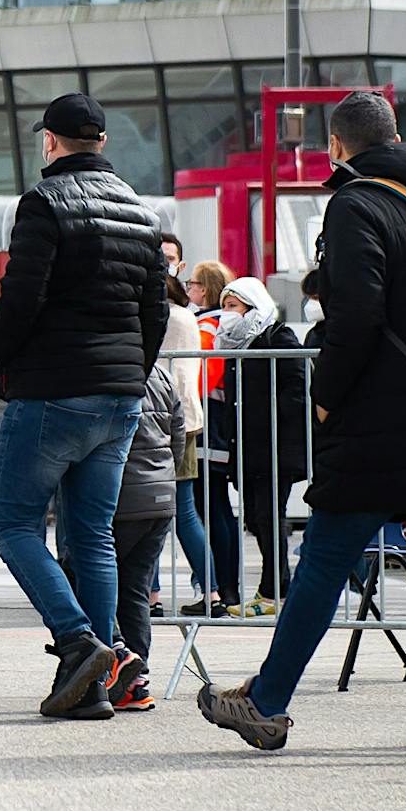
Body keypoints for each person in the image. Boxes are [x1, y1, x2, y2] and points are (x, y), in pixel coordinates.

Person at [199, 90, 406, 761]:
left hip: (381, 422)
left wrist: (326, 397)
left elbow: (355, 316)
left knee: (322, 562)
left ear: (337, 146)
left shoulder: (357, 204)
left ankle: (266, 704)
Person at [0, 93, 167, 720]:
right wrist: (131, 377)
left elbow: (20, 299)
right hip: (120, 397)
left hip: (52, 391)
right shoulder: (141, 212)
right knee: (93, 536)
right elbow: (156, 311)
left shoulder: (43, 203)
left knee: (11, 525)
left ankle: (78, 640)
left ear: (51, 142)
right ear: (103, 142)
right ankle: (103, 673)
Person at [213, 276, 307, 617]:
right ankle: (274, 587)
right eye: (224, 306)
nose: (227, 314)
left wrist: (270, 416)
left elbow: (297, 385)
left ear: (254, 306)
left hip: (275, 448)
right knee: (255, 517)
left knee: (269, 516)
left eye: (233, 306)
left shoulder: (277, 336)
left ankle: (274, 591)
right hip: (247, 447)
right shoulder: (236, 344)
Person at [110, 346, 183, 709]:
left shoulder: (111, 373)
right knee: (136, 590)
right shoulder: (162, 375)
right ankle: (138, 680)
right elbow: (179, 434)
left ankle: (117, 664)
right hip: (160, 496)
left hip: (123, 496)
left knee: (98, 581)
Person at [185, 259, 239, 609]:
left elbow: (201, 376)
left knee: (210, 506)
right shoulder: (225, 324)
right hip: (219, 424)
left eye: (191, 283)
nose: (188, 288)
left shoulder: (206, 326)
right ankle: (225, 588)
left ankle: (219, 588)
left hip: (205, 426)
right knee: (218, 507)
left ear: (203, 288)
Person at [163, 273, 217, 615]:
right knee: (185, 511)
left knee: (141, 510)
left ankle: (149, 596)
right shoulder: (185, 316)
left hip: (157, 417)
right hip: (187, 417)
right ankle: (211, 591)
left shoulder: (158, 315)